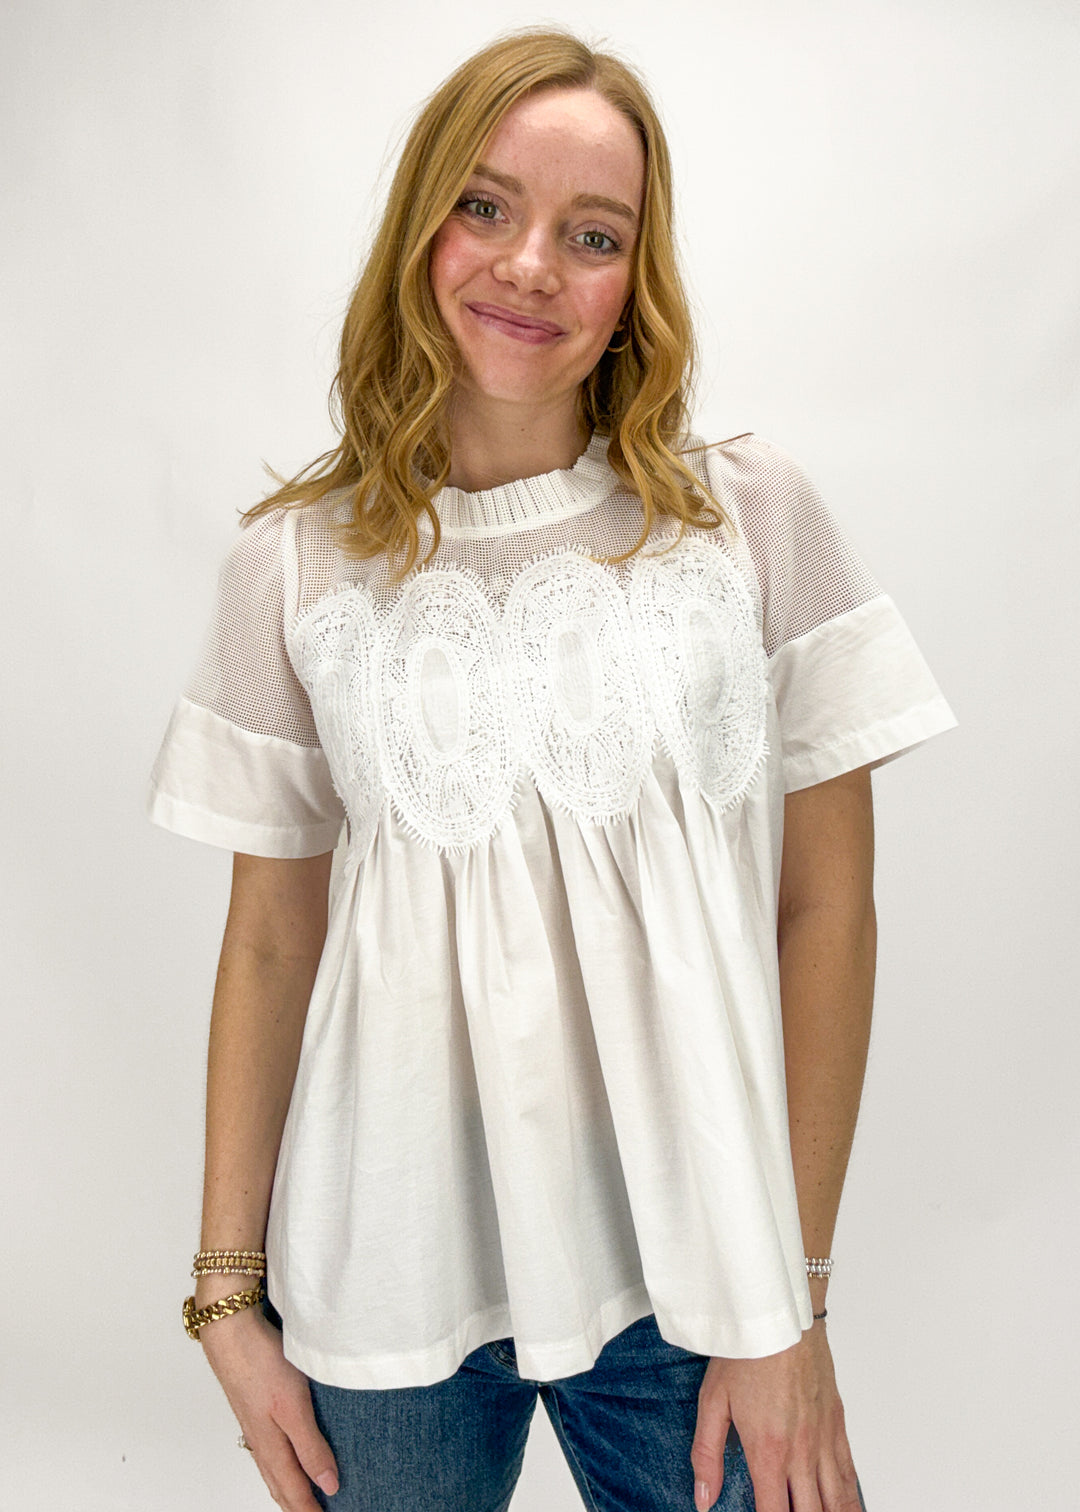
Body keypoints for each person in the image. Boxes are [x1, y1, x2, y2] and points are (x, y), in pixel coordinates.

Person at [148, 25, 957, 1512]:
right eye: (487, 205)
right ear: (421, 226)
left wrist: (796, 1291)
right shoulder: (294, 568)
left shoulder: (750, 521)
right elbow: (270, 938)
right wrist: (226, 1303)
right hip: (389, 1285)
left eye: (595, 235)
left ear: (637, 280)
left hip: (697, 1287)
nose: (531, 266)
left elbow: (826, 913)